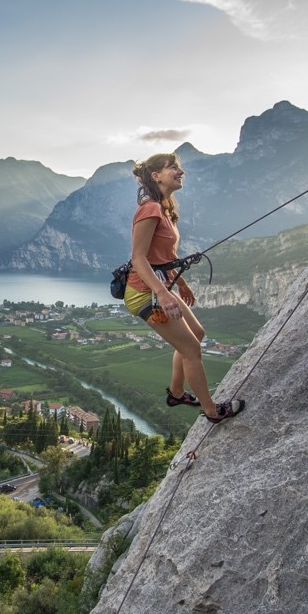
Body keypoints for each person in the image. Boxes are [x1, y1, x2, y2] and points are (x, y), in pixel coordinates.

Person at [124, 153, 244, 424]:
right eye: (173, 168)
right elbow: (139, 258)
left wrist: (180, 282)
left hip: (160, 287)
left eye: (179, 167)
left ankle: (177, 392)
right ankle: (212, 412)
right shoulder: (150, 209)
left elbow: (164, 257)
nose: (180, 172)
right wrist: (165, 293)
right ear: (156, 176)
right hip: (145, 294)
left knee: (197, 334)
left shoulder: (164, 208)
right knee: (191, 349)